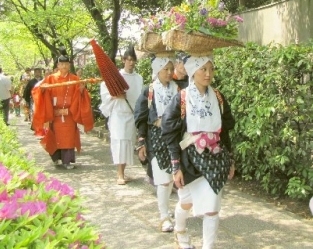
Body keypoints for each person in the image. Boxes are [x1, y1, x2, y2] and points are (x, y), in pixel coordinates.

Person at [162, 55, 235, 249]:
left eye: (211, 69)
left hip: (215, 158)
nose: (208, 74)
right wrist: (175, 166)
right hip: (190, 159)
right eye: (203, 69)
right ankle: (180, 231)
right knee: (186, 202)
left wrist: (231, 159)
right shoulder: (182, 98)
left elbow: (225, 131)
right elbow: (170, 132)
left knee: (212, 208)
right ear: (193, 71)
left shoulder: (218, 97)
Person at [134, 55, 178, 233]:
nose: (169, 72)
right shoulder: (149, 91)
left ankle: (166, 209)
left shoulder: (178, 89)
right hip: (156, 140)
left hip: (174, 139)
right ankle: (164, 217)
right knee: (163, 181)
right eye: (165, 69)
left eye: (171, 69)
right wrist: (141, 141)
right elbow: (141, 117)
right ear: (157, 70)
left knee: (172, 178)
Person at [32, 48, 94, 169]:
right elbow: (40, 92)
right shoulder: (51, 78)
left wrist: (81, 90)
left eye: (66, 64)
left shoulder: (74, 79)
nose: (64, 66)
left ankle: (67, 161)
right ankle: (56, 158)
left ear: (69, 65)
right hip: (54, 112)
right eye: (61, 64)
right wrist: (43, 89)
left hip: (70, 112)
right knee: (54, 135)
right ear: (58, 65)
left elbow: (80, 95)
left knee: (68, 137)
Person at [99, 46, 143, 185]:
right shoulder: (117, 76)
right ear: (123, 60)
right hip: (118, 114)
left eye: (133, 60)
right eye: (128, 59)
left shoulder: (138, 78)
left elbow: (140, 96)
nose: (130, 62)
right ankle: (119, 174)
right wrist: (116, 95)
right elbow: (105, 92)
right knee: (119, 142)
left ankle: (123, 172)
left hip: (131, 114)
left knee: (128, 143)